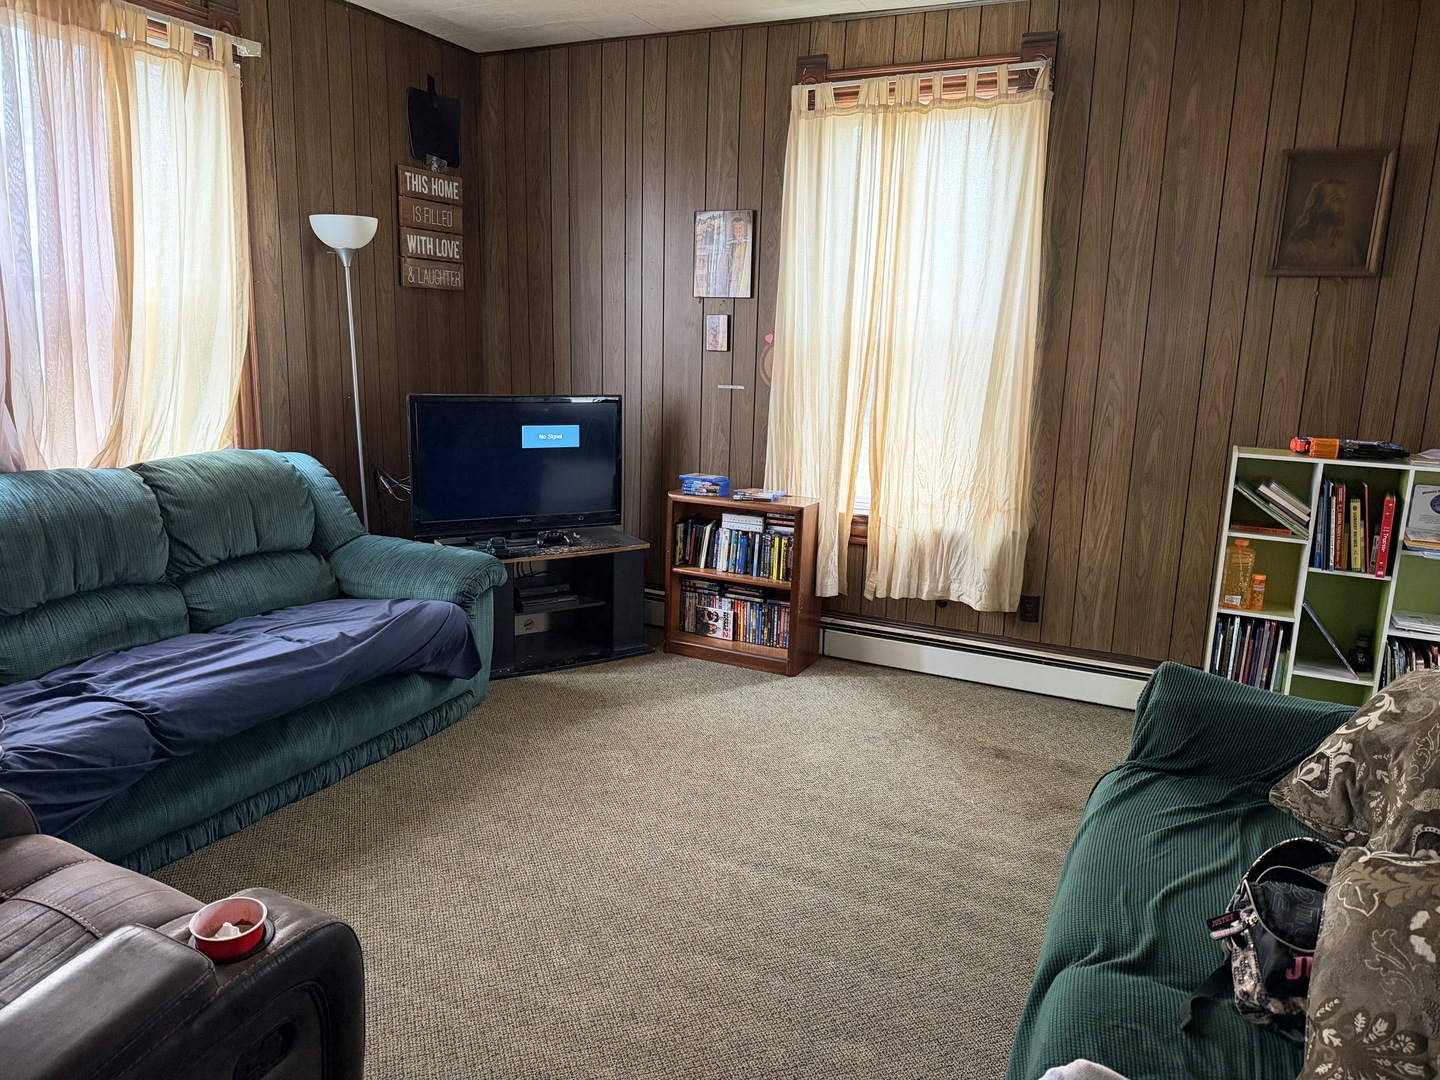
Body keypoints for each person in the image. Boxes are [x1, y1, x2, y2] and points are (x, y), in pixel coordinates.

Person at [1281, 177, 1360, 268]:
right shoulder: (1297, 249)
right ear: (1318, 206)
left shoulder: (1348, 248)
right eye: (1335, 200)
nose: (1343, 205)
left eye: (1344, 199)